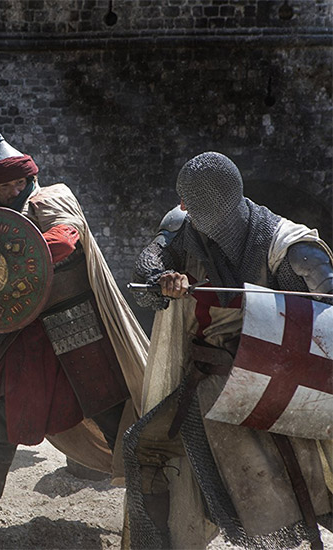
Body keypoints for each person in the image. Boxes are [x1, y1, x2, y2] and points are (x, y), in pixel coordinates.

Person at [126, 151, 333, 549]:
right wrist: (161, 279)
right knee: (146, 447)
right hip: (205, 384)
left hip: (270, 392)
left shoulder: (284, 246)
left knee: (309, 489)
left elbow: (324, 312)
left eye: (191, 204)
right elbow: (147, 266)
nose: (184, 209)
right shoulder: (183, 229)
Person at [0, 132, 148, 530]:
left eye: (19, 182)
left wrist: (10, 259)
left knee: (111, 415)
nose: (15, 190)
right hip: (25, 334)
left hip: (77, 325)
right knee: (4, 422)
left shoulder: (50, 199)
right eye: (5, 186)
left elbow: (65, 239)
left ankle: (149, 505)